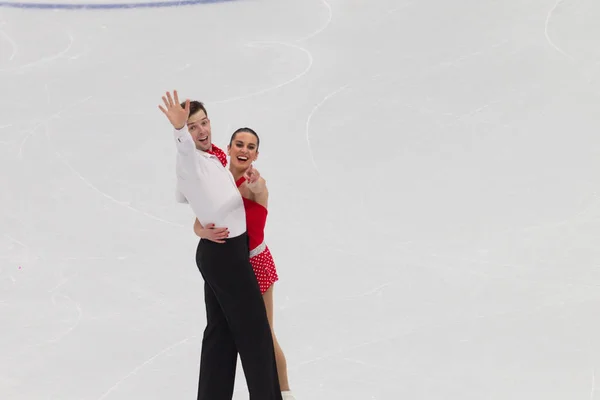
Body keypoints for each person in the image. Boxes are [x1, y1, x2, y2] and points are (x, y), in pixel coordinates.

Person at [158, 91, 282, 400]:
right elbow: (185, 159)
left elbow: (191, 197)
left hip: (221, 252)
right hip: (226, 257)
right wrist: (178, 130)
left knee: (221, 334)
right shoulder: (190, 159)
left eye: (204, 123)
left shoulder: (212, 158)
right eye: (192, 127)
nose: (201, 131)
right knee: (256, 334)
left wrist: (201, 222)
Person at [193, 127, 295, 400]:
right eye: (239, 144)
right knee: (227, 330)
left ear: (256, 155)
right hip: (228, 268)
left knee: (264, 335)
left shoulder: (253, 184)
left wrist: (255, 181)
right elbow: (198, 222)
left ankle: (284, 393)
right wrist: (204, 232)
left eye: (250, 147)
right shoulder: (220, 181)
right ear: (228, 148)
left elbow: (257, 189)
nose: (244, 150)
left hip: (255, 263)